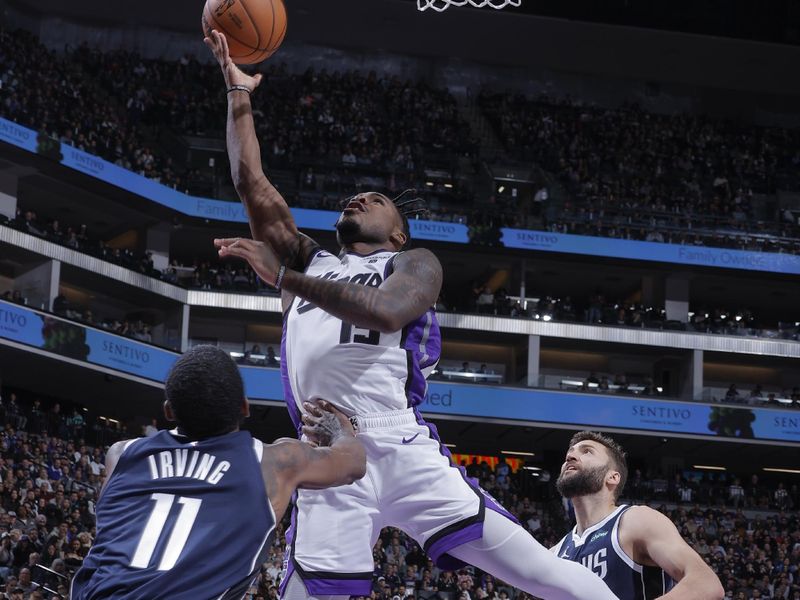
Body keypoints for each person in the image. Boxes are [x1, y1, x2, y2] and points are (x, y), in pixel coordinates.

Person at [205, 30, 619, 600]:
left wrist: (283, 279)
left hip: (398, 442)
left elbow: (385, 312)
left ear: (397, 231)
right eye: (353, 197)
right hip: (327, 450)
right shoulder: (311, 261)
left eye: (374, 199)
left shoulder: (414, 263)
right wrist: (238, 92)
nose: (358, 199)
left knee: (539, 572)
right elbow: (250, 182)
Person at [70, 345, 366, 600]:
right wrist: (340, 431)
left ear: (169, 411)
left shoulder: (120, 455)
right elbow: (353, 463)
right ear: (245, 408)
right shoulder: (275, 462)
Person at [553, 431, 724, 600]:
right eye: (570, 453)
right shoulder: (557, 552)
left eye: (587, 451)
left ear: (612, 477)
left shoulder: (635, 521)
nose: (571, 457)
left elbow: (706, 584)